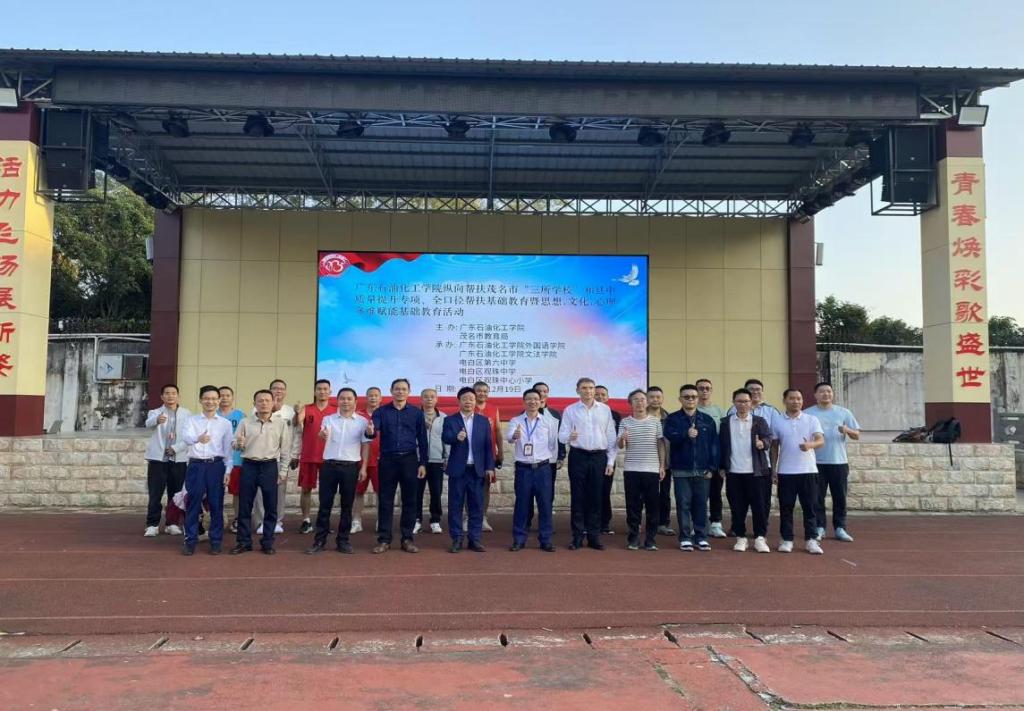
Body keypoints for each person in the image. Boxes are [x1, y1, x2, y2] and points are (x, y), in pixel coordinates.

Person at [305, 388, 370, 555]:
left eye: (349, 398)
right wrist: (322, 434)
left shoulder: (362, 422)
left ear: (355, 401)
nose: (345, 401)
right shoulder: (328, 419)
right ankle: (319, 540)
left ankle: (343, 541)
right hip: (329, 466)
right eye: (342, 398)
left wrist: (363, 467)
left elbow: (365, 446)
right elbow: (322, 433)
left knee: (347, 506)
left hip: (351, 467)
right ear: (338, 400)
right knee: (324, 505)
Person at [369, 378, 428, 554]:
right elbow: (373, 431)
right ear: (391, 391)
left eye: (403, 389)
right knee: (385, 500)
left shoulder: (416, 413)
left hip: (409, 460)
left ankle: (407, 539)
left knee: (410, 500)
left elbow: (422, 440)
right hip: (387, 460)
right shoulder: (381, 412)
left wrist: (422, 463)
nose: (400, 391)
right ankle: (384, 539)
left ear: (409, 392)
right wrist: (370, 431)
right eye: (397, 389)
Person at [559, 377, 618, 550]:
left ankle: (594, 537)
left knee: (596, 497)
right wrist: (569, 436)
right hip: (578, 456)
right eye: (584, 388)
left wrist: (611, 461)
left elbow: (611, 436)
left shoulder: (605, 410)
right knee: (578, 497)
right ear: (577, 390)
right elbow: (561, 436)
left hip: (599, 457)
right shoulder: (570, 410)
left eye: (591, 388)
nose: (588, 391)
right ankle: (577, 536)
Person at [232, 389, 293, 555]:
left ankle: (267, 542)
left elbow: (285, 450)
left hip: (270, 466)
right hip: (249, 466)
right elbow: (234, 444)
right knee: (245, 506)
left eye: (267, 400)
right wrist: (238, 443)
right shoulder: (245, 422)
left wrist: (283, 472)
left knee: (271, 507)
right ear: (254, 404)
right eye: (260, 401)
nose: (264, 403)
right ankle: (244, 542)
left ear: (273, 403)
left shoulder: (280, 424)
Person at [663, 384, 720, 551]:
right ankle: (685, 537)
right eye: (686, 397)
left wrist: (712, 468)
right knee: (683, 504)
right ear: (680, 399)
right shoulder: (673, 419)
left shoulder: (707, 419)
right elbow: (670, 436)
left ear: (698, 398)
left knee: (701, 504)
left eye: (693, 397)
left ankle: (701, 537)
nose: (690, 399)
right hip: (681, 469)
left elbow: (714, 445)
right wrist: (685, 434)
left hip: (703, 470)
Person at [180, 385, 234, 556]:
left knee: (216, 504)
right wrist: (198, 438)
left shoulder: (225, 424)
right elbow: (186, 438)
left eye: (213, 398)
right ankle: (190, 540)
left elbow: (228, 451)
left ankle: (216, 541)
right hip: (196, 465)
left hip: (216, 466)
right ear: (201, 400)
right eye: (206, 398)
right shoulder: (191, 420)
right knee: (193, 503)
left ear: (219, 401)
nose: (210, 401)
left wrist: (228, 471)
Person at [804, 382, 861, 542]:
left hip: (839, 462)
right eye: (822, 391)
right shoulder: (808, 413)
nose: (826, 394)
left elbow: (857, 435)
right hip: (815, 463)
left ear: (832, 394)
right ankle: (819, 527)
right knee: (817, 497)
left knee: (840, 497)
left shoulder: (844, 412)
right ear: (815, 395)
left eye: (829, 391)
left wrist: (847, 430)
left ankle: (840, 528)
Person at [771, 388, 826, 555]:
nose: (796, 401)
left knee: (810, 507)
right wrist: (773, 469)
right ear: (785, 400)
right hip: (786, 472)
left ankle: (811, 540)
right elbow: (774, 447)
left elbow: (820, 440)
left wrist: (810, 445)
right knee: (786, 507)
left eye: (799, 398)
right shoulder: (777, 421)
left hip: (808, 471)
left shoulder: (811, 419)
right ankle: (787, 539)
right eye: (792, 398)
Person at [719, 388, 773, 553]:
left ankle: (760, 538)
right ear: (734, 402)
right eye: (739, 401)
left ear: (751, 403)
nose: (743, 404)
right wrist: (722, 466)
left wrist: (762, 443)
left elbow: (769, 438)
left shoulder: (759, 421)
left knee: (759, 507)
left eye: (746, 401)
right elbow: (722, 446)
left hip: (756, 472)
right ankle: (741, 537)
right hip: (734, 472)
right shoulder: (725, 422)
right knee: (737, 507)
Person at [442, 387, 495, 552]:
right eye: (465, 399)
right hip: (458, 470)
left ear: (475, 401)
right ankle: (457, 539)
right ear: (459, 401)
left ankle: (475, 539)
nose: (468, 402)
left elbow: (488, 446)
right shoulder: (450, 420)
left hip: (477, 470)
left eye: (471, 399)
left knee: (477, 506)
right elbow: (445, 437)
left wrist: (490, 467)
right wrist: (456, 437)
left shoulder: (483, 421)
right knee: (455, 506)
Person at [507, 388, 558, 552]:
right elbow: (509, 438)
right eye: (529, 399)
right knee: (522, 505)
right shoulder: (516, 420)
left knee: (545, 505)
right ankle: (519, 539)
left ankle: (546, 540)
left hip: (543, 468)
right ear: (524, 402)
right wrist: (515, 436)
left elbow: (552, 444)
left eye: (536, 399)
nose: (532, 402)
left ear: (541, 401)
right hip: (523, 469)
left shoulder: (548, 421)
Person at [728, 378, 781, 524]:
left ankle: (761, 528)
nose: (755, 392)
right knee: (738, 499)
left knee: (762, 500)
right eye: (751, 389)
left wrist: (774, 468)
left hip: (762, 464)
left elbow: (774, 441)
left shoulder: (771, 411)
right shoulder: (733, 410)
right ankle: (738, 527)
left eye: (758, 389)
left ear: (762, 392)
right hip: (737, 465)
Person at [617, 389, 665, 551]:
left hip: (651, 469)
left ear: (647, 402)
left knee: (652, 506)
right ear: (630, 403)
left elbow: (660, 445)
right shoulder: (625, 422)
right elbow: (620, 445)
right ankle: (633, 538)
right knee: (633, 506)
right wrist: (622, 439)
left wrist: (662, 465)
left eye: (642, 399)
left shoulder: (655, 422)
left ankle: (650, 539)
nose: (640, 402)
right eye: (636, 400)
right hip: (632, 469)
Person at [143, 384, 191, 537]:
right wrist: (157, 420)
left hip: (179, 459)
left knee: (176, 493)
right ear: (162, 396)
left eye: (173, 393)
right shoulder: (155, 412)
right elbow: (147, 424)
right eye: (167, 393)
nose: (170, 396)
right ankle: (152, 524)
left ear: (178, 396)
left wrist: (176, 448)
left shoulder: (187, 414)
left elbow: (189, 437)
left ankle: (172, 523)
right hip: (158, 459)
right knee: (155, 493)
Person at [252, 378, 296, 535]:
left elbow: (296, 434)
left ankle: (277, 521)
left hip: (280, 457)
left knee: (279, 491)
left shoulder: (291, 411)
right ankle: (260, 522)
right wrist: (274, 409)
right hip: (260, 457)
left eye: (281, 388)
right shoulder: (257, 409)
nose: (278, 391)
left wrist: (294, 455)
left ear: (285, 392)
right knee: (259, 492)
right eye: (275, 388)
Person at [292, 379, 337, 535]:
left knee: (327, 492)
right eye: (319, 389)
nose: (322, 391)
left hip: (329, 457)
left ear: (330, 392)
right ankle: (306, 521)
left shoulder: (335, 410)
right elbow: (296, 423)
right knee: (306, 489)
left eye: (325, 389)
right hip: (309, 455)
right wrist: (297, 412)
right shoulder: (306, 408)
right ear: (314, 391)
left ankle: (324, 521)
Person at [526, 381, 565, 530]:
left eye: (545, 391)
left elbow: (560, 436)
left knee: (547, 493)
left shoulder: (554, 414)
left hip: (549, 461)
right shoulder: (523, 415)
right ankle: (526, 521)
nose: (542, 394)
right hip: (528, 461)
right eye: (539, 391)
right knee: (527, 493)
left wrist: (561, 455)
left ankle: (545, 524)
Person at [695, 378, 727, 539]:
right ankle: (697, 524)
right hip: (696, 460)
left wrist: (723, 463)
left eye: (707, 388)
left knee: (715, 492)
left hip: (715, 459)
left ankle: (716, 523)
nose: (704, 391)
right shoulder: (691, 410)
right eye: (701, 388)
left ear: (711, 390)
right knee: (697, 494)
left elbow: (724, 438)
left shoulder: (719, 411)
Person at [416, 388, 447, 535]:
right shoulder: (415, 416)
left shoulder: (444, 418)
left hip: (437, 460)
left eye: (432, 397)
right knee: (416, 492)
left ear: (436, 399)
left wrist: (447, 457)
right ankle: (416, 520)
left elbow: (446, 440)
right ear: (421, 399)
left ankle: (435, 520)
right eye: (426, 397)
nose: (429, 399)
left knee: (436, 491)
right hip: (417, 460)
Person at [352, 386, 382, 533]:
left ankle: (380, 521)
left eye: (376, 395)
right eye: (370, 395)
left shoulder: (384, 414)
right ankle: (356, 521)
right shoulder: (358, 415)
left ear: (380, 398)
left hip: (380, 461)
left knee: (380, 493)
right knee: (358, 492)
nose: (373, 398)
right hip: (360, 461)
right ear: (366, 397)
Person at [473, 380, 502, 533]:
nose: (482, 393)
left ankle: (483, 517)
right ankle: (469, 517)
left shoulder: (493, 408)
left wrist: (500, 452)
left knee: (485, 486)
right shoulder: (469, 406)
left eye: (485, 391)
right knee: (470, 486)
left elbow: (498, 431)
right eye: (479, 390)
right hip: (471, 455)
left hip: (488, 454)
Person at [647, 386, 674, 536]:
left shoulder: (669, 418)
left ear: (662, 399)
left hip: (666, 462)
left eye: (658, 397)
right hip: (645, 463)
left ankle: (663, 523)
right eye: (652, 397)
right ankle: (644, 523)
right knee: (645, 495)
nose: (655, 400)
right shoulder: (640, 416)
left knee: (664, 494)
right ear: (647, 399)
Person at [594, 385, 622, 535]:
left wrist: (611, 459)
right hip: (591, 456)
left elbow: (615, 438)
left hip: (608, 457)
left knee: (605, 491)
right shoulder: (587, 413)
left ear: (608, 397)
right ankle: (589, 522)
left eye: (603, 395)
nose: (600, 397)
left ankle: (604, 523)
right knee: (590, 491)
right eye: (597, 394)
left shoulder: (615, 415)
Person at [218, 386, 245, 535]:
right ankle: (216, 518)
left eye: (227, 395)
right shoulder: (213, 414)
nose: (224, 398)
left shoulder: (240, 415)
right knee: (216, 492)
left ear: (232, 398)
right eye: (221, 395)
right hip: (217, 461)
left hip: (236, 460)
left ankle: (237, 519)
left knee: (237, 493)